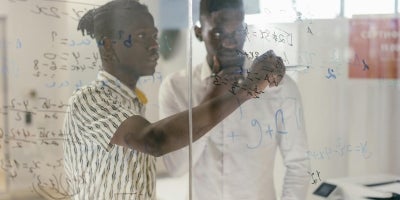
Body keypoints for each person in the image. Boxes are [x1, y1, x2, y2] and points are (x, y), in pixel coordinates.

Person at [62, 0, 285, 199]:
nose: (154, 44)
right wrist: (246, 90)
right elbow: (154, 141)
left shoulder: (132, 104)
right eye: (141, 36)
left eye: (153, 35)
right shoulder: (90, 100)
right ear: (109, 45)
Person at [159, 0, 311, 199]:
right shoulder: (176, 88)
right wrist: (213, 96)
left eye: (237, 31)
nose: (230, 43)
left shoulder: (279, 87)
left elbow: (299, 165)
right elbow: (176, 168)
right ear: (198, 32)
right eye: (219, 33)